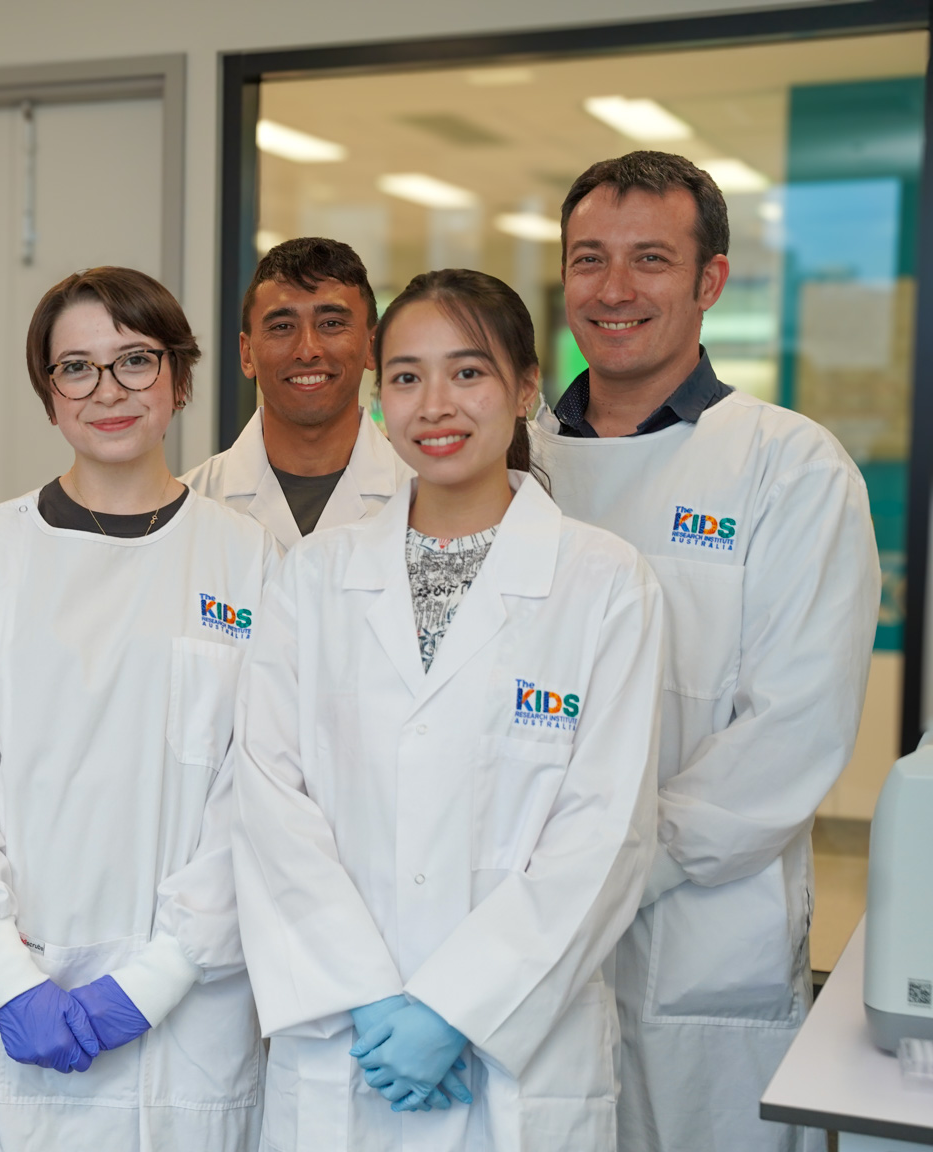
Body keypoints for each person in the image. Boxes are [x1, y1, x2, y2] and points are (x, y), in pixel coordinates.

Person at [234, 269, 663, 1150]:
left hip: (515, 1056)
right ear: (379, 395)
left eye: (468, 372)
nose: (435, 405)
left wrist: (453, 1010)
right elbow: (270, 800)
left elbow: (605, 834)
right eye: (406, 376)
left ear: (526, 387)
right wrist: (370, 996)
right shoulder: (314, 577)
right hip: (348, 1039)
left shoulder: (605, 583)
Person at [531, 151, 880, 1152]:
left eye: (650, 258)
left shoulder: (788, 467)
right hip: (517, 928)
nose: (614, 288)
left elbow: (792, 729)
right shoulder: (513, 463)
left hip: (697, 934)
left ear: (709, 280)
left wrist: (607, 867)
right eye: (589, 259)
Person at [0, 266, 275, 1150]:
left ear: (179, 377)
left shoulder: (249, 559)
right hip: (12, 983)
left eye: (135, 360)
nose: (108, 390)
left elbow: (261, 789)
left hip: (190, 1007)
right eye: (76, 368)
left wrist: (159, 976)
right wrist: (7, 972)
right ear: (48, 394)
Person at [183, 237, 410, 548]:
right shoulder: (189, 507)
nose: (307, 350)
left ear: (372, 347)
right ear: (247, 354)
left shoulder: (422, 499)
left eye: (331, 323)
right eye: (282, 327)